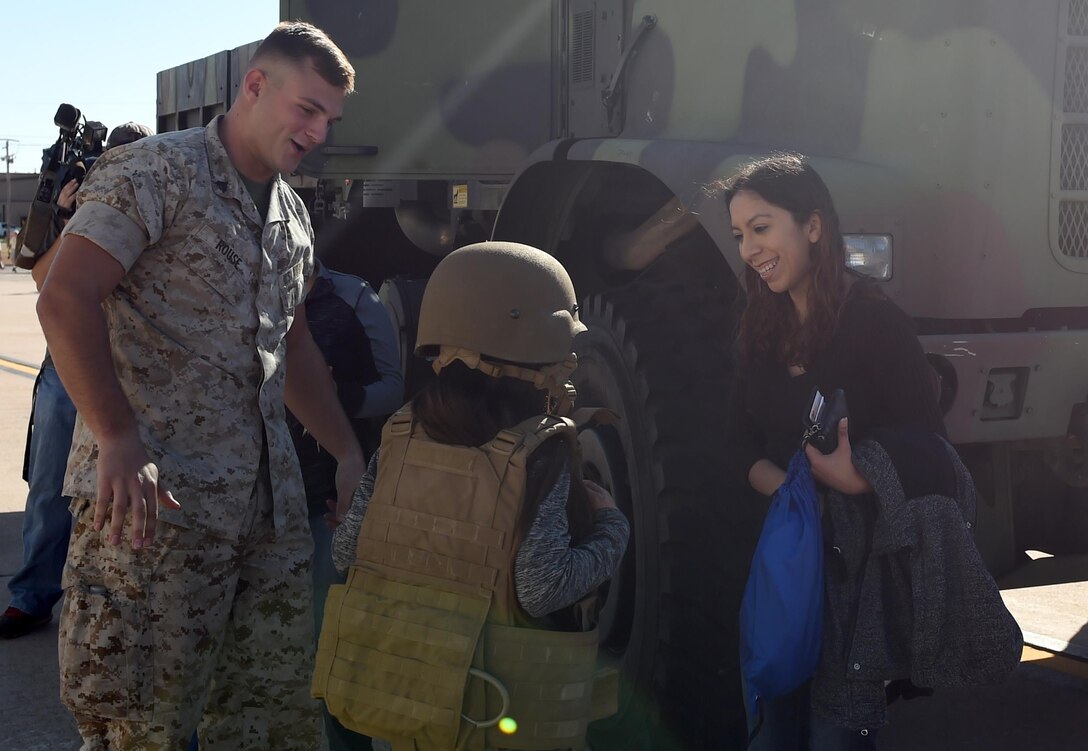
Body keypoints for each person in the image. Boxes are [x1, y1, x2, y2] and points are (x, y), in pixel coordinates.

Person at [36, 23, 365, 750]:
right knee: (140, 729)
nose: (317, 131)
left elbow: (295, 345)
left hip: (263, 519)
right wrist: (118, 435)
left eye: (329, 120)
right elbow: (64, 295)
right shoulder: (154, 173)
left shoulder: (292, 212)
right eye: (307, 109)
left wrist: (344, 449)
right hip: (155, 517)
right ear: (256, 85)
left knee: (263, 725)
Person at [722, 153, 1020, 749]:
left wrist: (858, 479)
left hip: (855, 576)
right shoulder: (758, 320)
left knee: (834, 733)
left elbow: (935, 454)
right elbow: (736, 441)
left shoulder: (876, 322)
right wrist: (786, 490)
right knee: (774, 725)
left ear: (812, 226)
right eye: (739, 235)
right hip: (786, 563)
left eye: (761, 228)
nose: (749, 250)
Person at [313, 241, 630, 751]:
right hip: (494, 714)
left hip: (403, 706)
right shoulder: (538, 454)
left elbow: (348, 553)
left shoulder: (401, 434)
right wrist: (614, 528)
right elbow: (541, 587)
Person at [0, 122, 153, 641]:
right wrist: (72, 216)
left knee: (124, 497)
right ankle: (32, 597)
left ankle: (117, 610)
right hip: (68, 370)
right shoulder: (83, 212)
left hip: (135, 371)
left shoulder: (159, 206)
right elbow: (44, 279)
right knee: (49, 490)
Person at [288, 257, 403, 751]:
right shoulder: (236, 284)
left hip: (324, 500)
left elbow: (395, 391)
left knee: (330, 646)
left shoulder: (354, 300)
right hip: (246, 495)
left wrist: (340, 397)